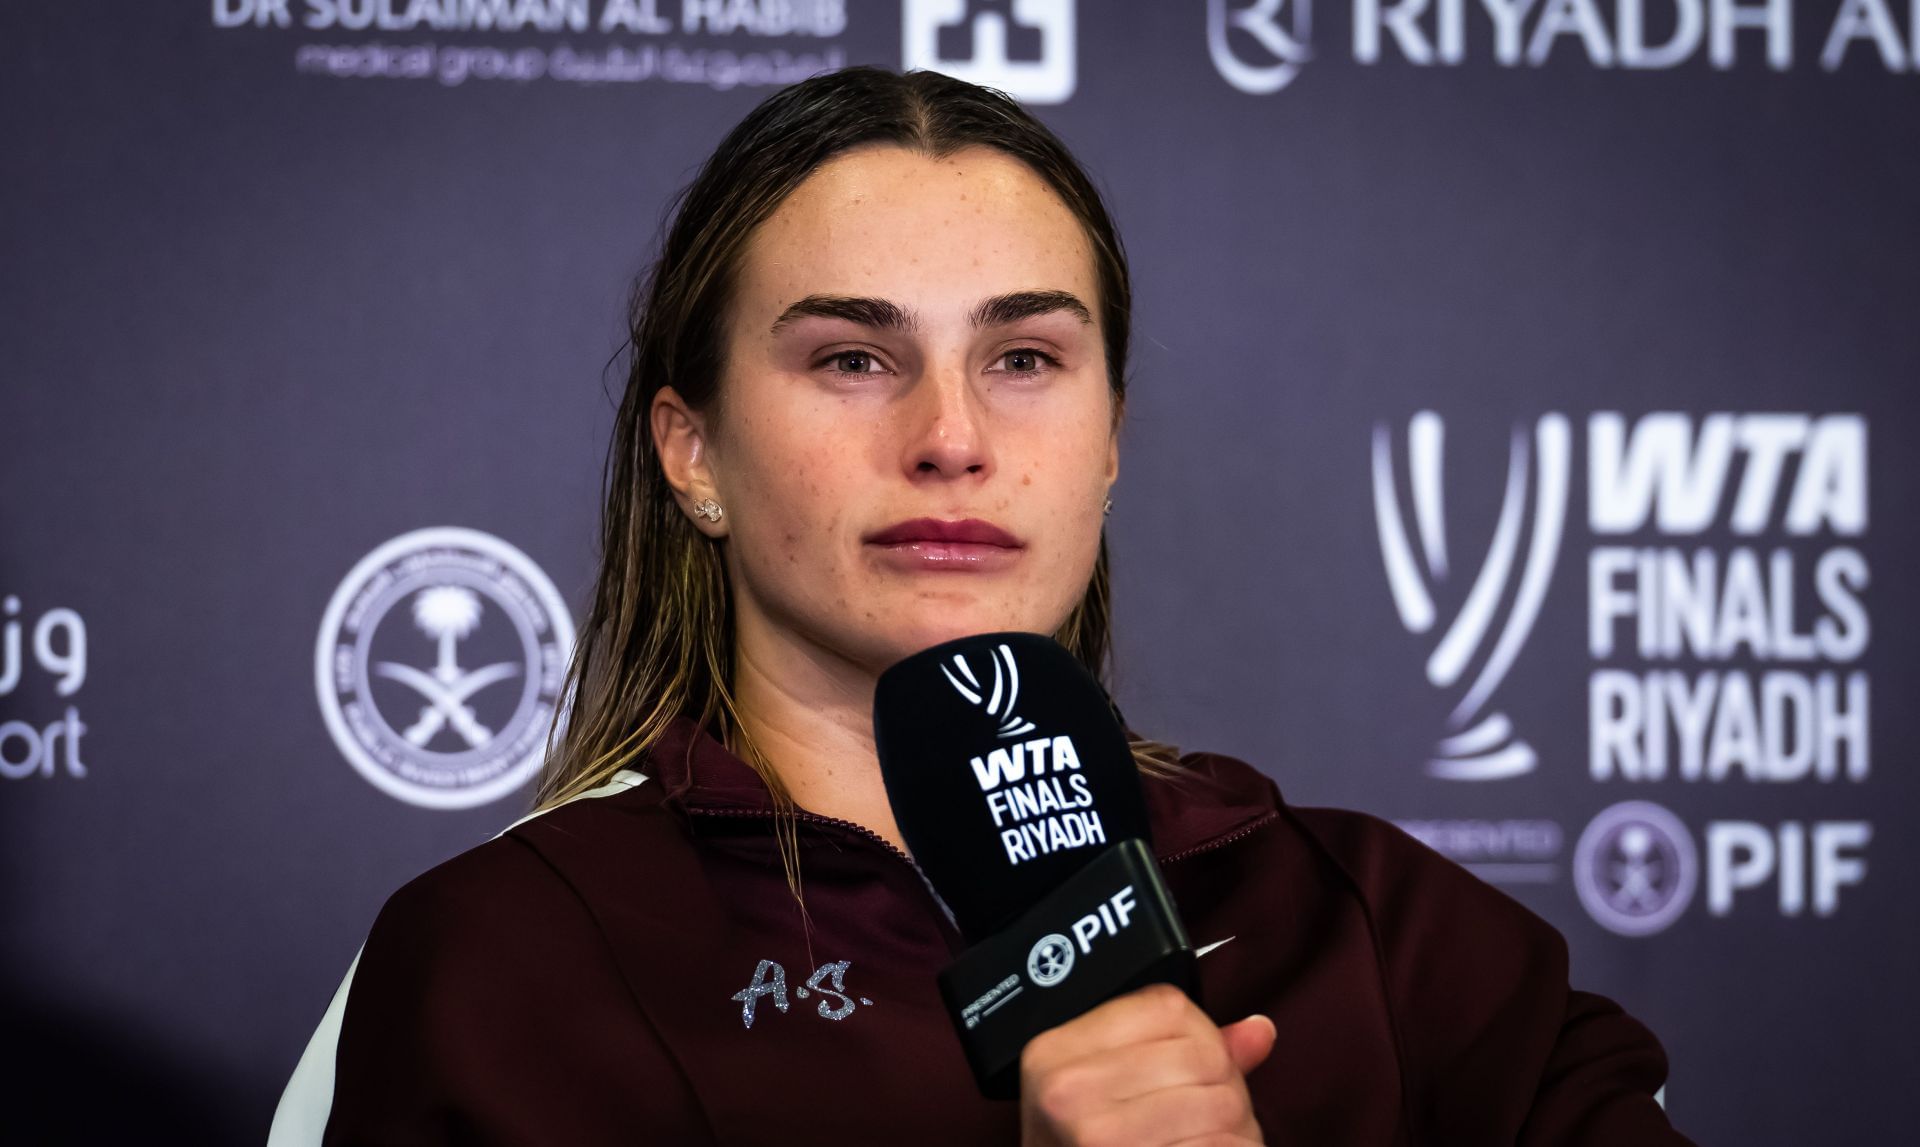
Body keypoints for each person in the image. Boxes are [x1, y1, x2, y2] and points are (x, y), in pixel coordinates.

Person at [270, 66, 1692, 1146]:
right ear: (691, 451)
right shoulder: (506, 963)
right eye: (849, 358)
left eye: (1023, 356)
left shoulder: (1379, 929)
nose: (953, 436)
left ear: (1111, 440)